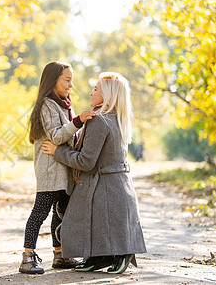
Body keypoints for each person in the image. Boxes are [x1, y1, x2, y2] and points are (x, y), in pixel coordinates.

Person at [42, 72, 147, 274]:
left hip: (106, 184)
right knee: (100, 220)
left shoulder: (100, 121)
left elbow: (86, 161)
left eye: (96, 89)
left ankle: (121, 253)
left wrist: (58, 151)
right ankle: (100, 256)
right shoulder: (118, 118)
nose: (91, 93)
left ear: (107, 95)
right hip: (119, 184)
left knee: (81, 218)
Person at [19, 61, 96, 274]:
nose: (71, 84)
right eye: (67, 80)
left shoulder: (63, 103)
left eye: (72, 80)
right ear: (54, 80)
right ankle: (27, 256)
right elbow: (55, 135)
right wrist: (79, 120)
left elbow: (69, 136)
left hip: (64, 169)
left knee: (60, 214)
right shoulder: (47, 104)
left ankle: (60, 254)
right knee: (40, 212)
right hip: (50, 170)